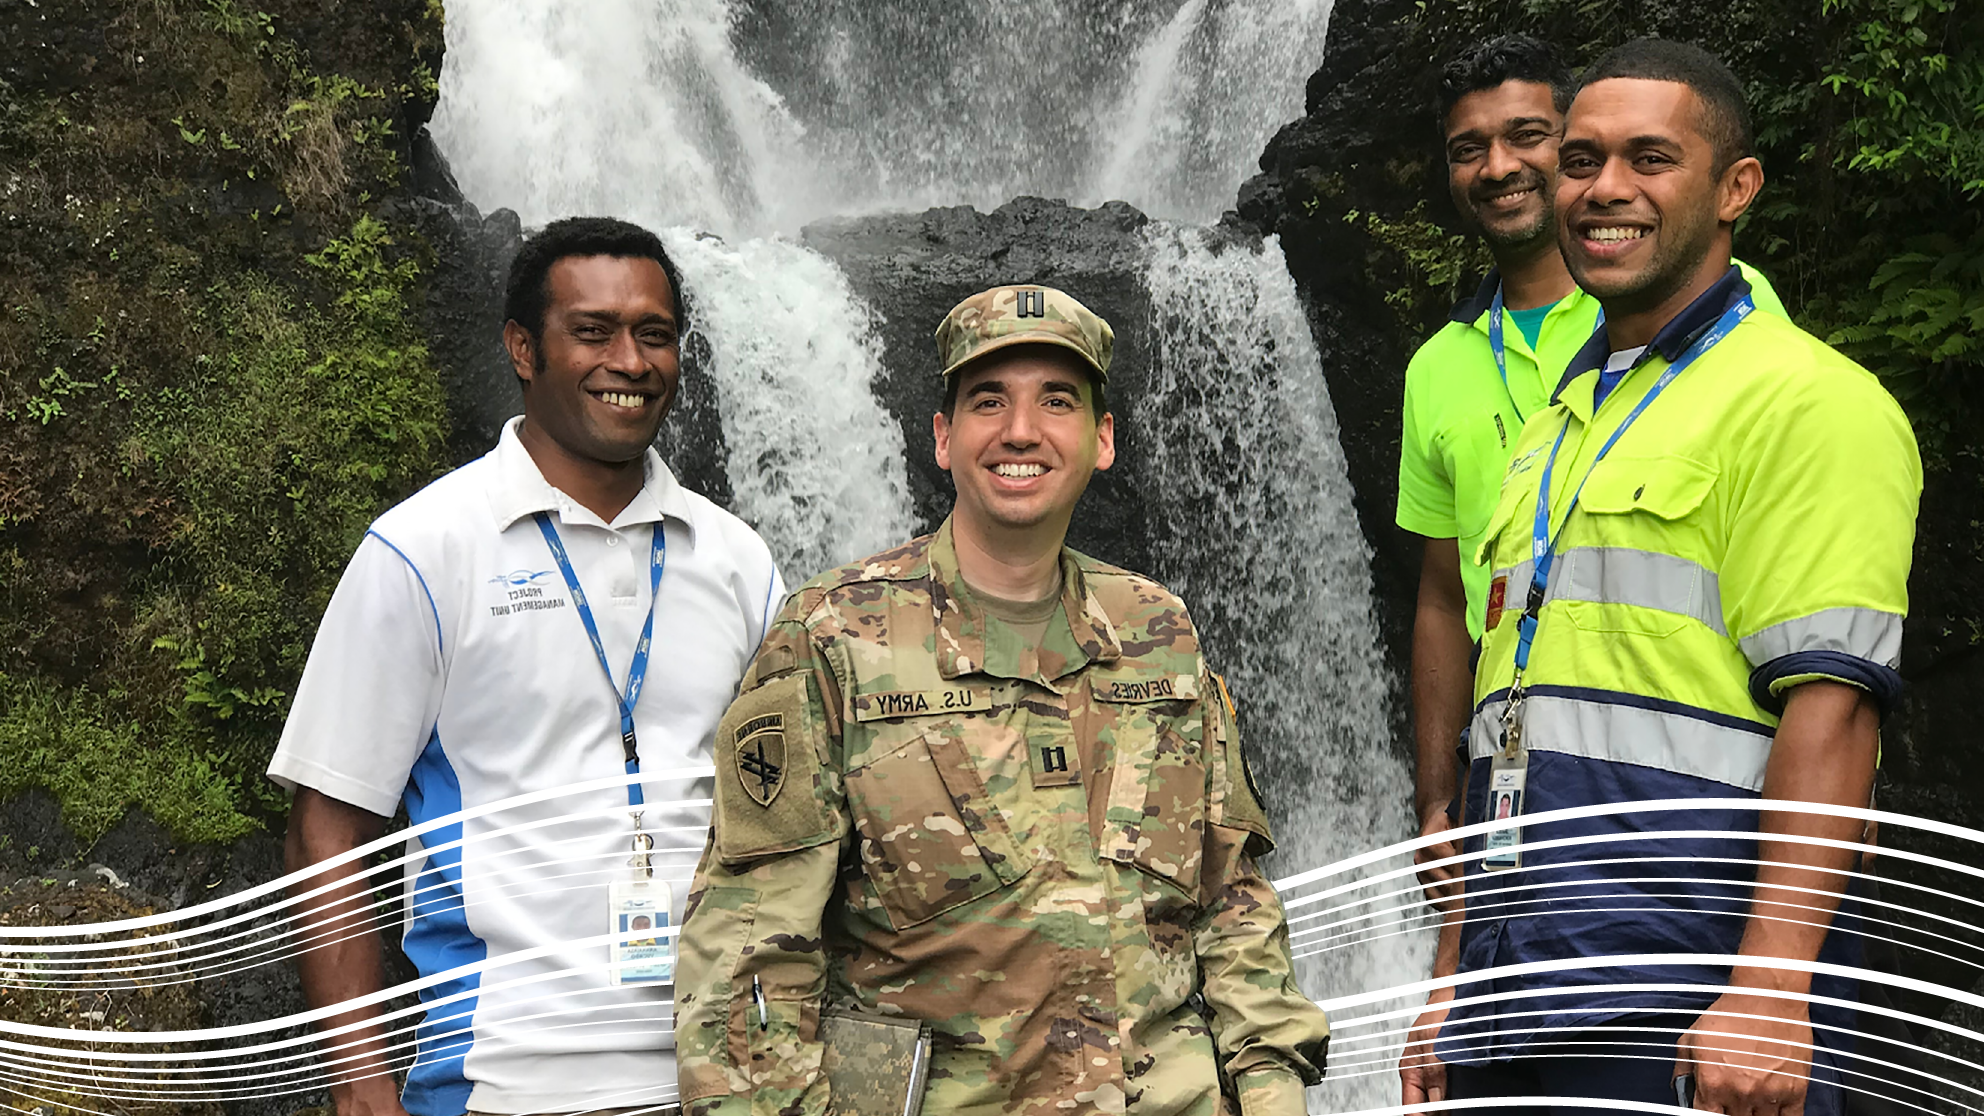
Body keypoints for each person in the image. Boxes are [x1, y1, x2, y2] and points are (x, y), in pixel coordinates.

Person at [1399, 39, 1920, 1114]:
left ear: (1735, 188)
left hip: (1688, 987)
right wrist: (1453, 983)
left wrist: (1772, 988)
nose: (1603, 190)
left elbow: (1833, 710)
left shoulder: (1803, 402)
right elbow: (1507, 719)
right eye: (1582, 160)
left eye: (1649, 158)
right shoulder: (1555, 428)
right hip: (1520, 982)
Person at [671, 285, 1332, 1116]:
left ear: (1103, 440)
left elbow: (1233, 902)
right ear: (944, 438)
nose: (1022, 430)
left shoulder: (1159, 630)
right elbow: (748, 951)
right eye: (990, 401)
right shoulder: (832, 636)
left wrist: (1274, 1098)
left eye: (1057, 401)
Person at [269, 217, 786, 1116]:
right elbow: (327, 823)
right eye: (593, 331)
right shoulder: (425, 550)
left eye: (654, 335)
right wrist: (361, 1085)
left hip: (726, 1079)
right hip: (500, 1079)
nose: (630, 360)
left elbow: (798, 817)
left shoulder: (739, 560)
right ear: (521, 347)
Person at [1397, 35, 1790, 915]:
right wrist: (1433, 798)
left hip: (1681, 791)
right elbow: (1438, 594)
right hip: (1506, 793)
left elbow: (1804, 550)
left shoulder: (1713, 306)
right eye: (1469, 149)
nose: (1500, 167)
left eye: (1529, 136)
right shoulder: (1435, 368)